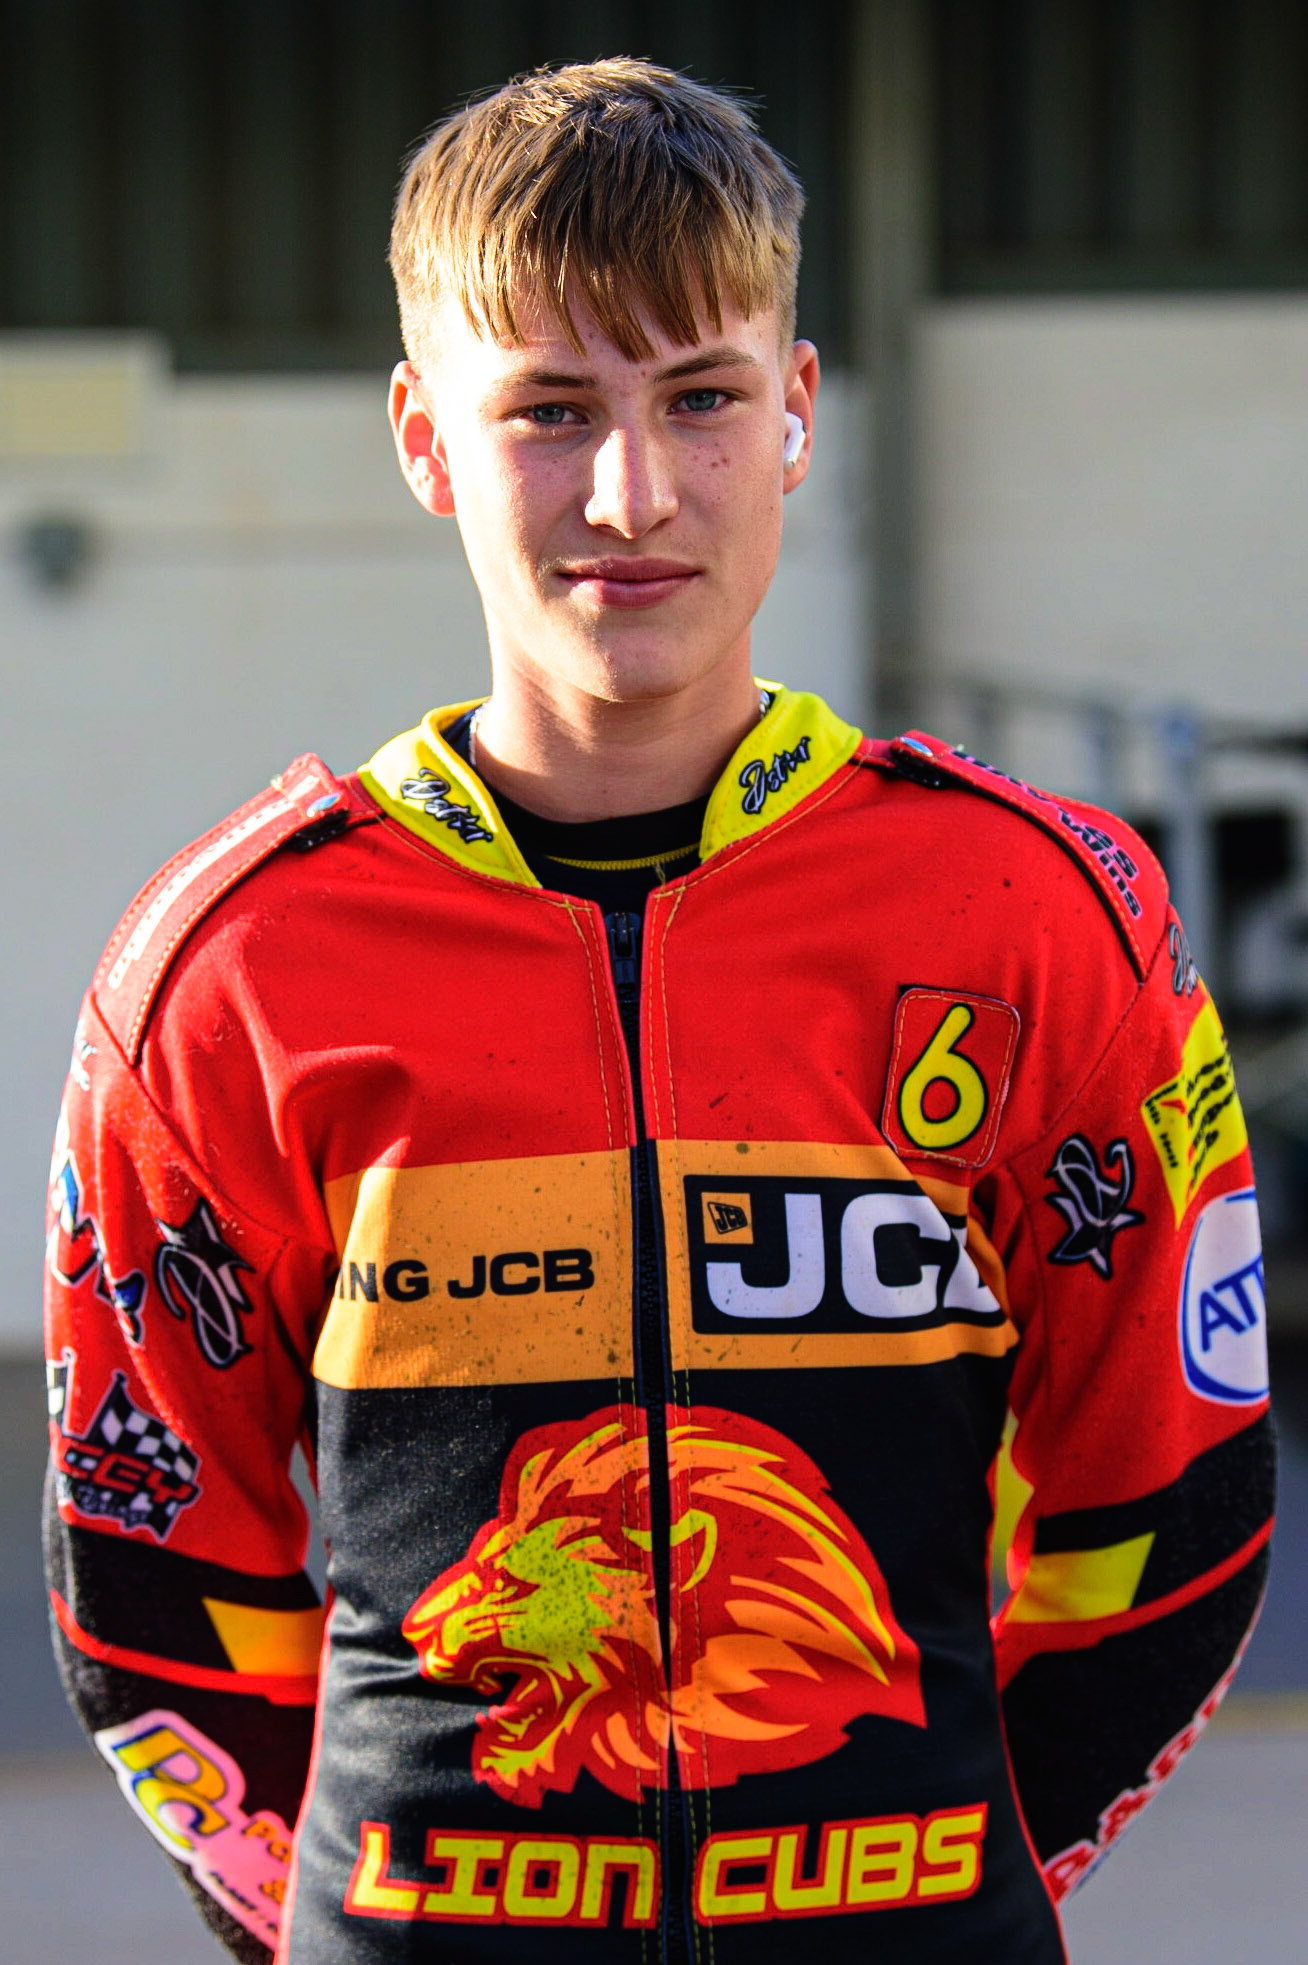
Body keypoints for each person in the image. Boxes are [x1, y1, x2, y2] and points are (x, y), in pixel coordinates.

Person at [43, 57, 1274, 1965]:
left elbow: (1171, 1510)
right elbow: (156, 1576)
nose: (633, 493)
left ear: (794, 414)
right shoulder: (225, 973)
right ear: (423, 438)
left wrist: (935, 1879)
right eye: (549, 410)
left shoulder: (1046, 919)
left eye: (698, 397)